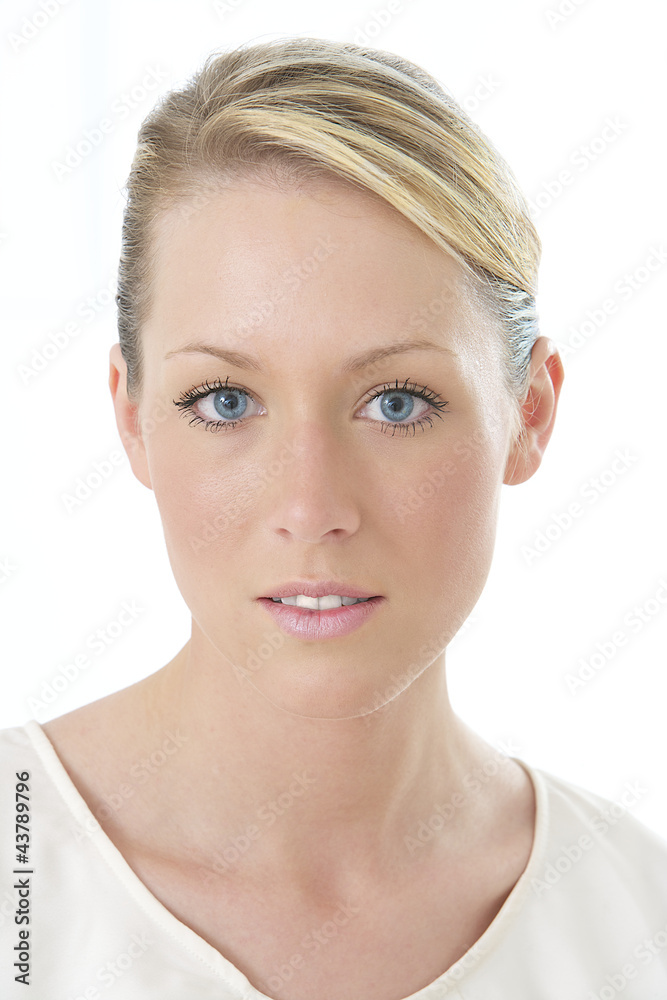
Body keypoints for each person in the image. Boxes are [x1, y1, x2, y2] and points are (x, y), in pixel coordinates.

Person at [2, 35, 666, 1000]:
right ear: (131, 416)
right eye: (225, 401)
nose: (311, 511)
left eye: (396, 403)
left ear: (528, 413)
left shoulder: (639, 922)